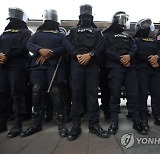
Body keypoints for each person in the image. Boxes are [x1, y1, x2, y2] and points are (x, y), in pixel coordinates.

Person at [20, 9, 69, 138]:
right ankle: (36, 123)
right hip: (38, 67)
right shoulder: (38, 33)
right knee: (36, 91)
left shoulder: (61, 35)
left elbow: (66, 47)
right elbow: (29, 44)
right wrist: (40, 50)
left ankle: (61, 124)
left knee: (56, 92)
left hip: (55, 67)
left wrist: (50, 52)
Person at [66, 4, 109, 141]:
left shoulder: (97, 32)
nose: (86, 18)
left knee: (92, 96)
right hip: (76, 64)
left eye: (88, 16)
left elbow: (101, 45)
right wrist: (77, 55)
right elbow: (67, 43)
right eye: (83, 17)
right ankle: (76, 125)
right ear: (79, 17)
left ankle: (94, 125)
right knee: (76, 95)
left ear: (92, 18)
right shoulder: (72, 31)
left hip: (92, 65)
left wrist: (90, 54)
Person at [103, 11, 147, 135]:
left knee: (133, 94)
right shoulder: (106, 35)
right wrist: (120, 58)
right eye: (121, 20)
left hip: (130, 67)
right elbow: (106, 50)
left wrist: (129, 56)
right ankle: (114, 121)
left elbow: (135, 48)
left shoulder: (128, 36)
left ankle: (137, 121)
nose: (123, 23)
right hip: (115, 66)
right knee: (115, 94)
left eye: (125, 20)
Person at [134, 18, 160, 131]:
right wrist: (150, 59)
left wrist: (157, 57)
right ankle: (143, 118)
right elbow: (137, 53)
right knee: (143, 95)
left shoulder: (154, 40)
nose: (146, 27)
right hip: (142, 71)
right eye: (144, 26)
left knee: (156, 95)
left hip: (155, 71)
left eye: (147, 25)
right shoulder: (136, 40)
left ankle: (157, 117)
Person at [0, 7, 32, 138]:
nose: (12, 21)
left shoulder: (26, 32)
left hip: (17, 66)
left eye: (14, 19)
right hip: (3, 66)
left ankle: (17, 123)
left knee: (17, 93)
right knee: (2, 93)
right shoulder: (4, 33)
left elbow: (22, 47)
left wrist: (7, 55)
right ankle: (2, 122)